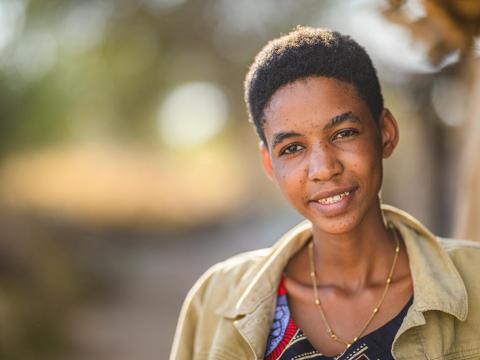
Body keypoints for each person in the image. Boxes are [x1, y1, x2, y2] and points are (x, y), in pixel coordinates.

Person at [169, 27, 480, 360]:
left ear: (385, 133)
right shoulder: (215, 300)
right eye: (292, 148)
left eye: (344, 133)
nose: (322, 167)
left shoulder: (473, 277)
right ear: (269, 164)